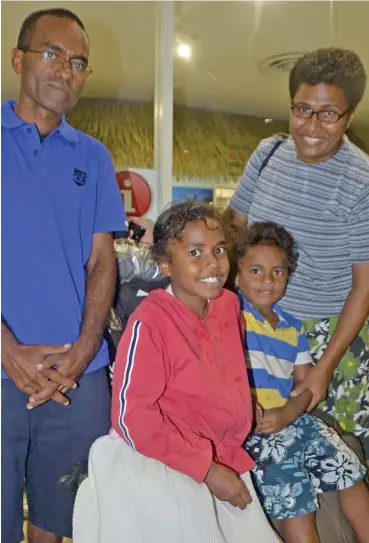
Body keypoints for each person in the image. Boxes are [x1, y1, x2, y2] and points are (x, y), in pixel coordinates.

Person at [73, 202, 280, 542]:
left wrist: (242, 403)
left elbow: (224, 367)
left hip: (222, 452)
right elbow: (131, 416)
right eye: (195, 253)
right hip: (165, 459)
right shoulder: (151, 321)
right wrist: (207, 469)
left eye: (218, 250)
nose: (213, 263)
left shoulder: (229, 305)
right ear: (166, 264)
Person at [1, 8, 127, 543]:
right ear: (18, 59)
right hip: (2, 369)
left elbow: (103, 260)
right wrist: (6, 348)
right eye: (52, 53)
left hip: (78, 375)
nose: (65, 69)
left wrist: (83, 348)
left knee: (58, 523)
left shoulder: (94, 159)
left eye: (78, 62)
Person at [229, 47, 369, 459]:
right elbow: (234, 228)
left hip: (331, 341)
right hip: (257, 329)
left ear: (350, 115)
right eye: (303, 109)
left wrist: (322, 369)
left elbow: (364, 290)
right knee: (260, 451)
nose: (311, 126)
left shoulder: (362, 181)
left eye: (328, 114)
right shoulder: (268, 153)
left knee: (339, 457)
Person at [234, 221, 369, 543]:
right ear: (236, 275)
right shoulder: (230, 314)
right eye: (255, 271)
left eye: (278, 272)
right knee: (296, 500)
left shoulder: (293, 329)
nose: (267, 280)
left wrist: (289, 413)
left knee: (349, 472)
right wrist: (261, 412)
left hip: (294, 420)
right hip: (256, 429)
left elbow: (306, 386)